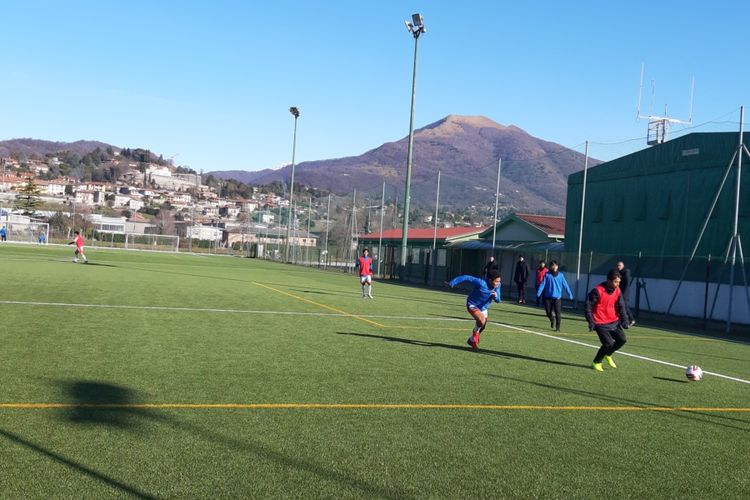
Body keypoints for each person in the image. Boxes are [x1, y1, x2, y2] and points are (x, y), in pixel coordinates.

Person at [585, 269, 630, 372]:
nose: (618, 284)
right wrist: (591, 322)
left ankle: (608, 354)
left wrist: (625, 320)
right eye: (615, 282)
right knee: (608, 343)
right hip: (600, 322)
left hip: (613, 321)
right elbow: (588, 306)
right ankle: (596, 362)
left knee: (622, 340)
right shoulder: (597, 290)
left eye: (619, 282)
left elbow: (621, 306)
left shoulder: (617, 290)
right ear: (609, 280)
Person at [447, 270, 502, 349]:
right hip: (472, 304)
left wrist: (496, 297)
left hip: (484, 308)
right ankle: (474, 337)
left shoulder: (498, 286)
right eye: (496, 281)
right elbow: (466, 277)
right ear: (490, 280)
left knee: (482, 326)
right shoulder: (481, 283)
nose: (498, 283)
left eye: (499, 281)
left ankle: (471, 340)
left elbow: (498, 300)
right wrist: (452, 283)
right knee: (481, 320)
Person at [536, 260, 572, 331]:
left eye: (556, 265)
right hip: (547, 298)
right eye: (553, 265)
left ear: (557, 266)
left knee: (558, 313)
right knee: (548, 312)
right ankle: (552, 320)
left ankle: (557, 328)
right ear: (551, 267)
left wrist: (570, 294)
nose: (554, 267)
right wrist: (538, 293)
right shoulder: (547, 275)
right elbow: (543, 284)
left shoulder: (561, 275)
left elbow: (566, 286)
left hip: (557, 298)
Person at [616, 261, 635, 326]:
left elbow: (626, 283)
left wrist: (623, 293)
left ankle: (631, 319)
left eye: (619, 265)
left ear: (623, 266)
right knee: (620, 306)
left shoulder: (625, 272)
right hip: (620, 292)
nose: (618, 267)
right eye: (617, 266)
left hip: (624, 293)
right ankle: (622, 320)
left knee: (625, 306)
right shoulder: (619, 272)